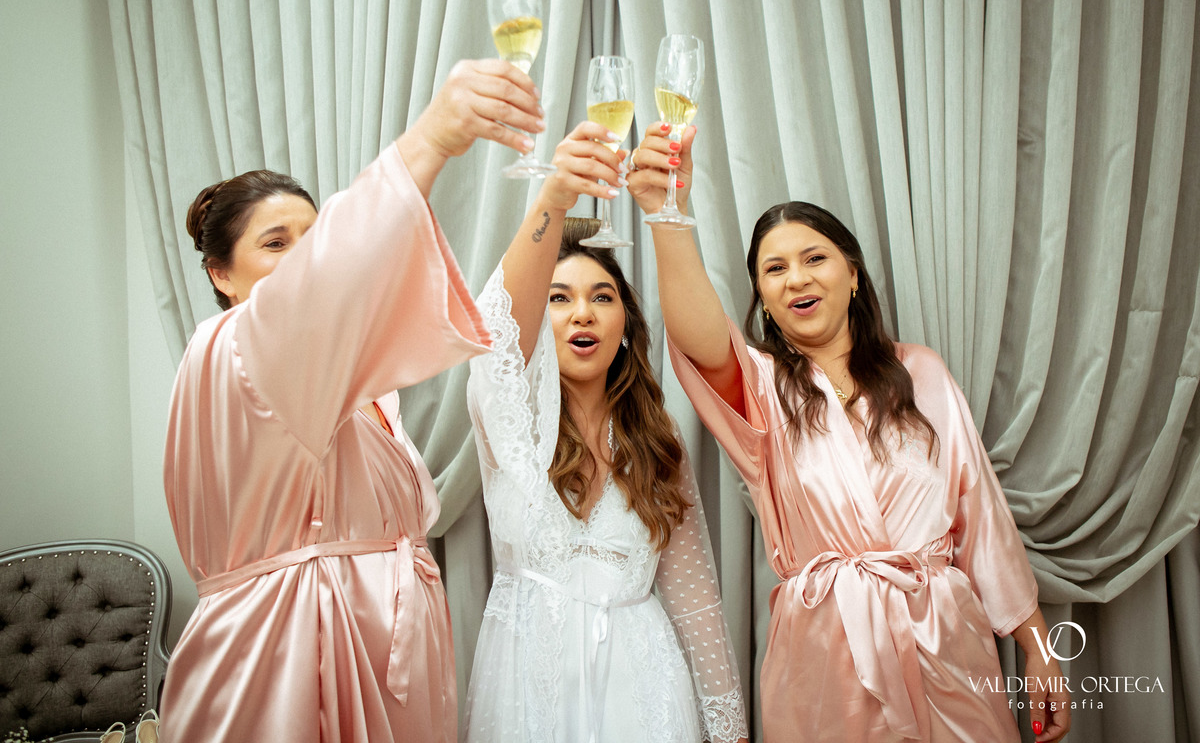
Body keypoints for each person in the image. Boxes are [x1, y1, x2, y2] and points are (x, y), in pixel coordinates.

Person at [625, 124, 1072, 743]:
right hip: (825, 653)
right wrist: (667, 213)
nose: (797, 279)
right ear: (762, 297)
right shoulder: (762, 388)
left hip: (944, 642)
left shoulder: (922, 374)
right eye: (775, 269)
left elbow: (984, 523)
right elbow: (701, 338)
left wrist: (1039, 649)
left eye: (815, 259)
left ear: (853, 274)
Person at [158, 60, 545, 743]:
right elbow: (327, 280)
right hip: (284, 656)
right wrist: (432, 138)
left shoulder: (361, 388)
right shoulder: (228, 352)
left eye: (312, 241)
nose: (303, 260)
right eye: (276, 244)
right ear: (221, 274)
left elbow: (495, 327)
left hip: (383, 656)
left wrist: (554, 200)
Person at [461, 122, 749, 742]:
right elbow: (497, 335)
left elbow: (694, 597)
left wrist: (729, 729)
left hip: (646, 695)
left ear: (624, 325)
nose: (583, 313)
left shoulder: (655, 439)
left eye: (602, 297)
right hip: (529, 692)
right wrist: (555, 196)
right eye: (559, 299)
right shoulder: (509, 423)